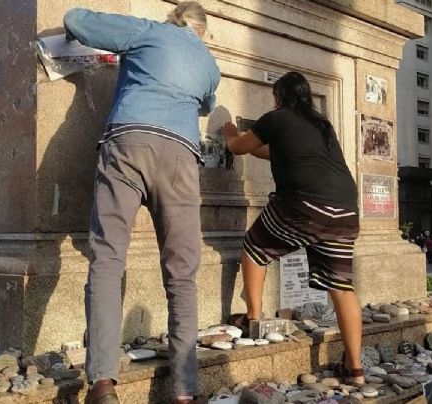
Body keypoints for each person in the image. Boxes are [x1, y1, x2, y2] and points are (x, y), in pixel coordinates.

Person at [63, 3, 220, 403]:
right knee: (182, 276)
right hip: (182, 158)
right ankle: (185, 393)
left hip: (129, 143)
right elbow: (205, 104)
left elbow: (77, 21)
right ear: (202, 32)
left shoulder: (148, 31)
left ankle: (102, 383)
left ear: (176, 20)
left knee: (108, 259)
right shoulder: (208, 63)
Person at [219, 72, 364, 385]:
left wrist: (229, 131)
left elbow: (239, 147)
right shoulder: (321, 125)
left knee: (255, 247)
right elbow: (274, 151)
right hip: (344, 210)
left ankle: (254, 319)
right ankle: (355, 370)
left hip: (304, 207)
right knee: (341, 286)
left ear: (278, 96)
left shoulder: (276, 118)